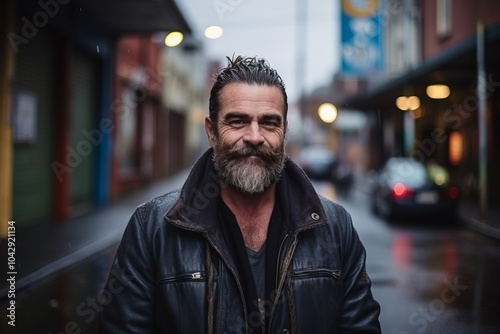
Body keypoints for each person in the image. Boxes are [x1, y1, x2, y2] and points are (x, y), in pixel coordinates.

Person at [98, 55, 381, 333]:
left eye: (270, 123)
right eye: (237, 121)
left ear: (284, 132)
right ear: (211, 132)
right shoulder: (152, 228)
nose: (255, 136)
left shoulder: (335, 226)